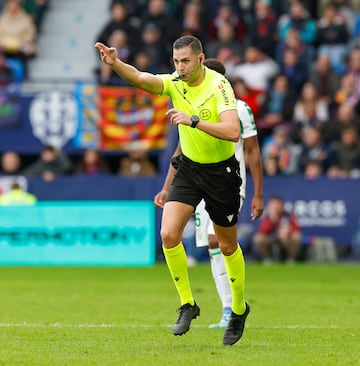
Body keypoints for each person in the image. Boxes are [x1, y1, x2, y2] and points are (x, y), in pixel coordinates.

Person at [95, 35, 249, 346]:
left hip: (222, 173)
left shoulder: (220, 86)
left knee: (228, 246)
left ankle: (238, 309)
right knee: (168, 234)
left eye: (186, 61)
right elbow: (142, 78)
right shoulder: (175, 82)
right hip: (190, 169)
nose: (180, 67)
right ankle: (188, 304)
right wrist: (116, 64)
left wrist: (193, 121)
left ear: (201, 59)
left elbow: (233, 132)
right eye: (176, 62)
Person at [155, 58, 264, 329]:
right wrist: (167, 187)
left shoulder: (240, 109)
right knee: (208, 242)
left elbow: (251, 151)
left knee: (220, 241)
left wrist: (258, 193)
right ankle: (226, 307)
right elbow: (180, 151)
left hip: (228, 181)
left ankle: (234, 306)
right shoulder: (191, 102)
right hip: (194, 176)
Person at [253, 195, 302, 264]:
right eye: (272, 205)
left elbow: (296, 229)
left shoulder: (288, 216)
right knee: (258, 238)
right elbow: (262, 231)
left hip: (285, 241)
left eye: (276, 204)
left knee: (297, 237)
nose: (274, 207)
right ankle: (267, 260)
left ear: (281, 205)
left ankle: (291, 260)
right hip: (271, 240)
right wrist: (272, 220)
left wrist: (287, 232)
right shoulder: (267, 217)